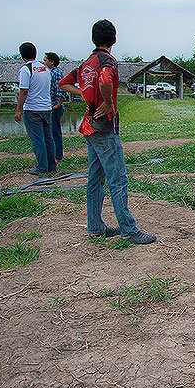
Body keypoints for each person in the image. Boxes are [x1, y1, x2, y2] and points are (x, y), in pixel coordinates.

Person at [59, 19, 156, 245]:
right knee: (118, 178)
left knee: (95, 178)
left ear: (94, 39)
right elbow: (104, 80)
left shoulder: (87, 62)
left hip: (89, 125)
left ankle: (94, 226)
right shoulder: (107, 61)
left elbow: (64, 83)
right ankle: (128, 229)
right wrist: (109, 103)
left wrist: (85, 94)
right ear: (114, 39)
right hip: (104, 126)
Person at [15, 41, 56, 175]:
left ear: (22, 55)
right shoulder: (45, 69)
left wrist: (18, 110)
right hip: (47, 108)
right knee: (48, 138)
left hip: (33, 109)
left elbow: (24, 91)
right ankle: (51, 166)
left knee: (38, 139)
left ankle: (41, 168)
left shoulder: (26, 69)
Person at [44, 52, 66, 163]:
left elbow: (61, 90)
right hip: (50, 105)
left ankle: (58, 155)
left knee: (55, 131)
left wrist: (57, 104)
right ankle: (54, 154)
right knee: (51, 132)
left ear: (52, 62)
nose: (44, 62)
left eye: (45, 60)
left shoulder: (56, 73)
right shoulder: (49, 72)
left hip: (55, 106)